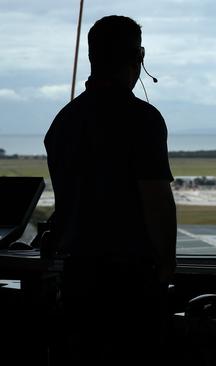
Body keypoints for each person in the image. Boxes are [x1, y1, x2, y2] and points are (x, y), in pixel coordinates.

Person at [44, 15, 176, 365]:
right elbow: (156, 200)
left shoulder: (63, 121)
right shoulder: (142, 119)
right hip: (129, 281)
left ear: (92, 56)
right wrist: (166, 265)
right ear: (139, 56)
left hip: (76, 278)